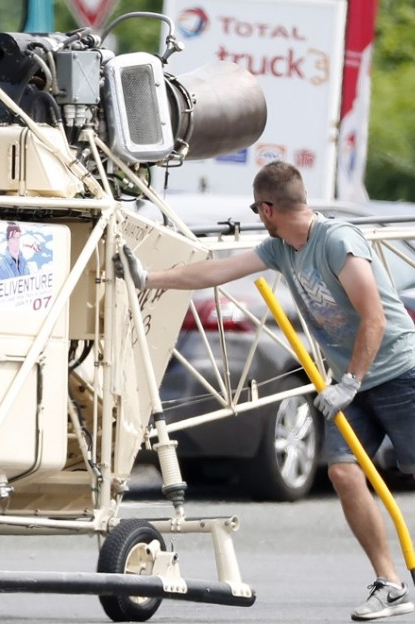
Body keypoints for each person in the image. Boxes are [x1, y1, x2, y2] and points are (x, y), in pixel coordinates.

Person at [118, 160, 415, 622]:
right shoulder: (281, 249)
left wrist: (351, 380)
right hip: (354, 387)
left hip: (398, 373)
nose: (257, 216)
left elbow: (374, 317)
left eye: (257, 208)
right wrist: (148, 278)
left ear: (269, 207)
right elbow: (213, 273)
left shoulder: (337, 241)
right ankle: (391, 585)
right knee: (342, 473)